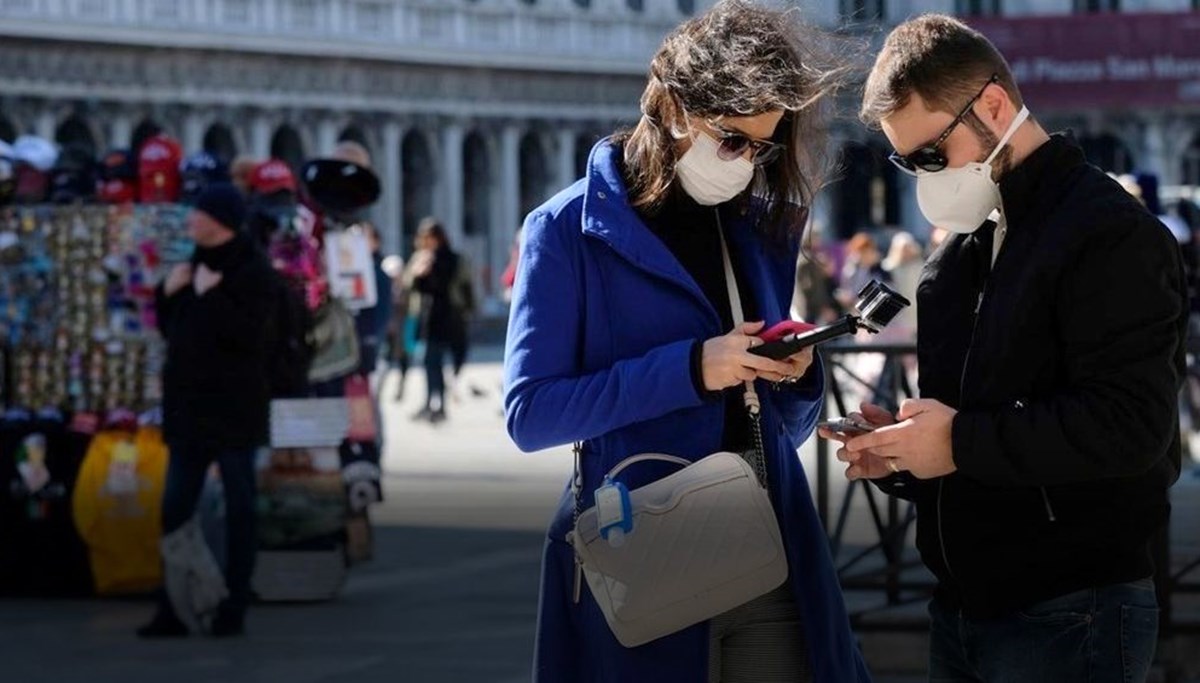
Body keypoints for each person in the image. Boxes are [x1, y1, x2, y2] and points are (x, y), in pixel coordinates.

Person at [503, 2, 870, 681]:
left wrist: (794, 373)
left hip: (767, 539)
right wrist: (691, 368)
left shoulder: (761, 225)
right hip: (642, 547)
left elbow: (780, 429)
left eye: (762, 146)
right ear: (674, 109)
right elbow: (530, 414)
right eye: (732, 139)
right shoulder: (564, 228)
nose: (746, 161)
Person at [824, 15, 1187, 682]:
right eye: (907, 163)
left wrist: (957, 442)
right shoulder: (956, 258)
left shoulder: (1107, 232)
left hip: (1072, 609)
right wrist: (907, 451)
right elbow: (986, 424)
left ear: (993, 104)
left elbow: (1133, 427)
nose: (922, 179)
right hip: (962, 607)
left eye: (932, 153)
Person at [138, 183, 278, 638]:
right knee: (175, 507)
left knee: (240, 508)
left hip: (234, 410)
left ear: (218, 221)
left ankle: (233, 604)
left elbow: (251, 340)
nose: (190, 221)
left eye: (198, 214)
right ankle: (174, 606)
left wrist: (211, 296)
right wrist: (169, 294)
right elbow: (175, 333)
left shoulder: (253, 270)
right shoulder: (191, 265)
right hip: (189, 410)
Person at [410, 218, 465, 423]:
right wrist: (418, 273)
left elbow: (443, 285)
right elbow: (417, 288)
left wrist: (428, 268)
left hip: (445, 318)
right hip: (427, 317)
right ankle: (428, 403)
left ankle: (439, 405)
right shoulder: (423, 257)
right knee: (427, 363)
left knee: (436, 362)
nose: (426, 242)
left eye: (429, 238)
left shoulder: (448, 258)